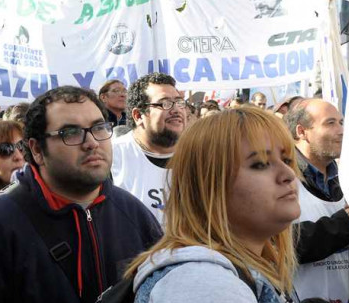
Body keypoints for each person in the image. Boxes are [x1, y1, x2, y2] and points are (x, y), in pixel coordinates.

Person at [0, 86, 161, 303]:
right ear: (37, 150)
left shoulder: (134, 213)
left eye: (99, 127)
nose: (92, 142)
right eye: (71, 132)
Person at [117, 107, 300, 303]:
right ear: (208, 186)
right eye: (260, 164)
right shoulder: (202, 282)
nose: (289, 174)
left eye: (287, 160)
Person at [284, 99, 349, 302]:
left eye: (341, 122)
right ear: (302, 132)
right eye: (330, 123)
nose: (341, 130)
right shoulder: (282, 179)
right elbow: (281, 243)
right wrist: (346, 223)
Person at [111, 73, 187, 222]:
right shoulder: (113, 158)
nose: (176, 110)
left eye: (179, 102)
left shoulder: (201, 154)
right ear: (138, 115)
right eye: (164, 103)